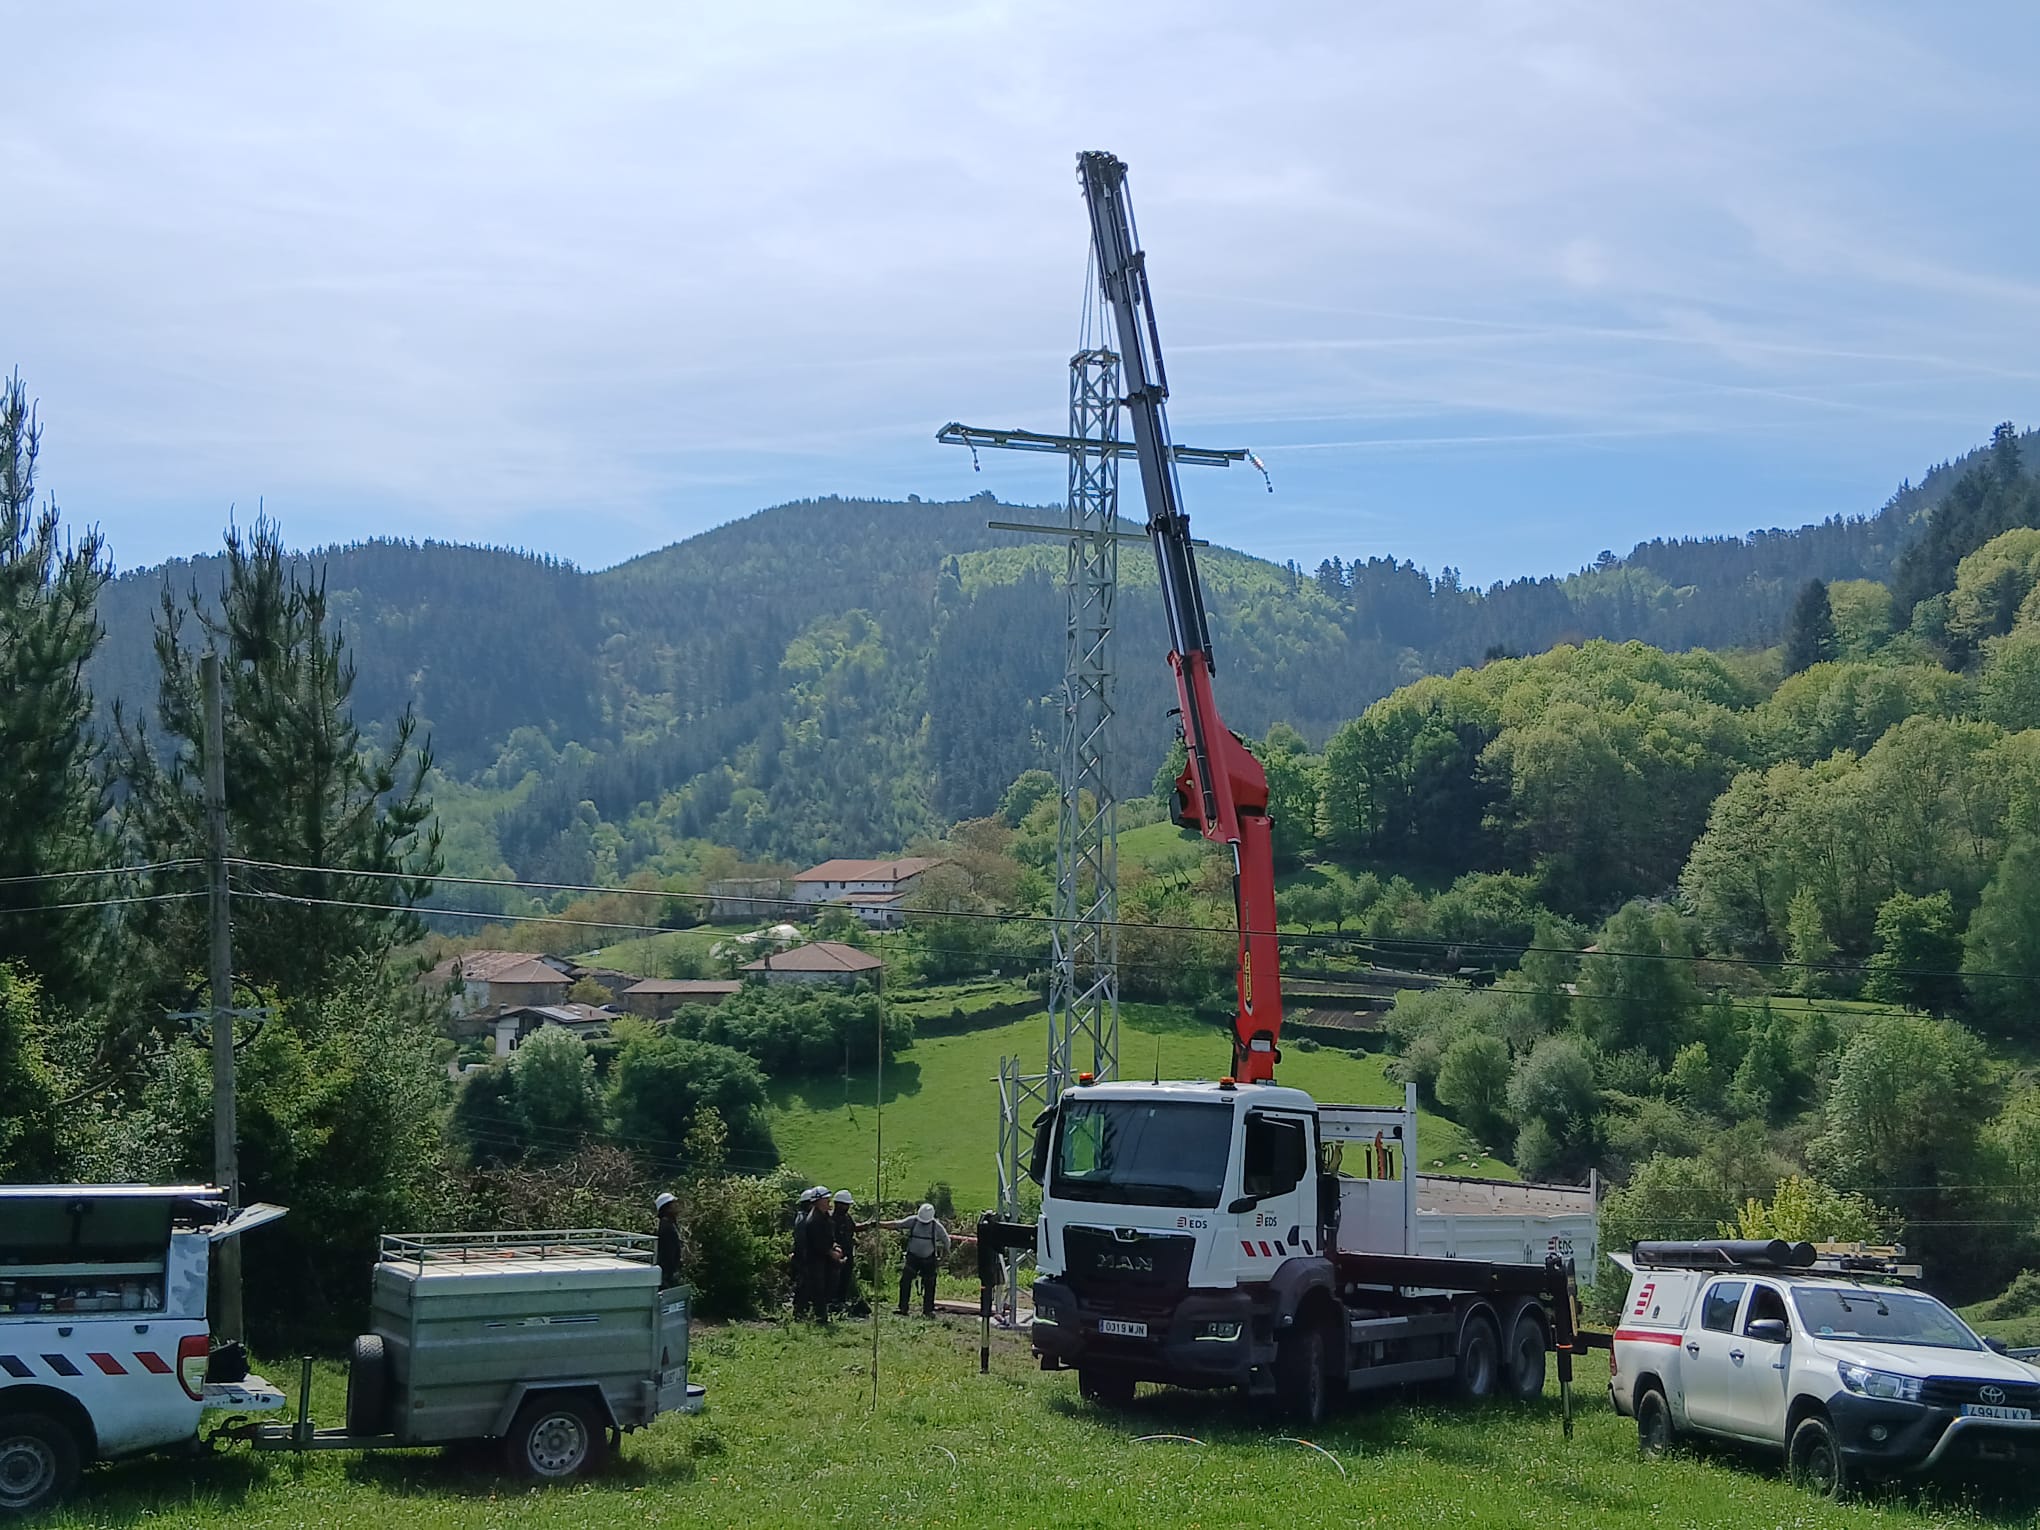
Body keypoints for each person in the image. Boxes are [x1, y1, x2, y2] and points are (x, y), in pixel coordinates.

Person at [889, 1202, 951, 1317]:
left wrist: (946, 1254)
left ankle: (928, 1310)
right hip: (913, 1258)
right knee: (905, 1282)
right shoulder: (913, 1221)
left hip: (929, 1259)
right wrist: (880, 1224)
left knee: (929, 1284)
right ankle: (903, 1308)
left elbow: (946, 1240)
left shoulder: (936, 1226)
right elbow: (897, 1224)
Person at [800, 1186, 843, 1324]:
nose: (828, 1201)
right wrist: (831, 1252)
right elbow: (817, 1243)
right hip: (815, 1260)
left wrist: (836, 1246)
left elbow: (830, 1236)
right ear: (818, 1201)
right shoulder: (813, 1220)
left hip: (826, 1260)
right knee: (818, 1289)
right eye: (826, 1199)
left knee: (828, 1287)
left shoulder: (825, 1217)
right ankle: (820, 1318)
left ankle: (821, 1314)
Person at [828, 1190, 866, 1315]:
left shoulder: (846, 1217)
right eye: (845, 1205)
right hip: (835, 1255)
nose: (847, 1207)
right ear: (838, 1204)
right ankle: (832, 1303)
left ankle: (841, 1302)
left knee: (845, 1278)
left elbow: (853, 1228)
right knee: (834, 1280)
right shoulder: (830, 1218)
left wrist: (867, 1225)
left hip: (848, 1253)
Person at [790, 1186, 823, 1319]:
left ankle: (802, 1312)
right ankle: (800, 1313)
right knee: (805, 1285)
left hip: (802, 1256)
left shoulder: (801, 1217)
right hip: (805, 1257)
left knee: (805, 1285)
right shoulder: (805, 1220)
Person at [655, 1190, 683, 1289]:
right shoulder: (666, 1226)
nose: (676, 1205)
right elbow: (668, 1252)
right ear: (667, 1207)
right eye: (673, 1203)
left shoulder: (669, 1223)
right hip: (667, 1274)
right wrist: (671, 1273)